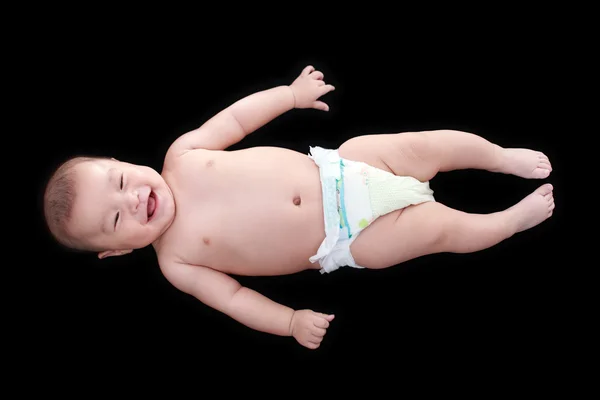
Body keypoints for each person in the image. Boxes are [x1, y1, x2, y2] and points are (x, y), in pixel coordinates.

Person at [42, 65, 555, 350]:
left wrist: (288, 95)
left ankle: (497, 156)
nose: (132, 199)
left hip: (344, 166)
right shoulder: (177, 261)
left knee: (429, 146)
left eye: (119, 180)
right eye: (115, 220)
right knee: (440, 232)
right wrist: (287, 322)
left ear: (119, 158)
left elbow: (237, 120)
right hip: (348, 240)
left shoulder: (183, 155)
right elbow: (234, 300)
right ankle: (506, 223)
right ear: (116, 253)